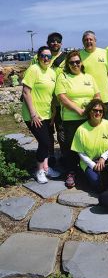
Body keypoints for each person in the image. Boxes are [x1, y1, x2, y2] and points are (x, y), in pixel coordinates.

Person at [55, 50, 100, 187]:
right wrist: (79, 110)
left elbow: (97, 95)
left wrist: (92, 109)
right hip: (71, 119)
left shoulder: (89, 77)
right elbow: (62, 97)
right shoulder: (63, 77)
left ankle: (86, 169)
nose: (75, 64)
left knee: (87, 145)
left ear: (81, 63)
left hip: (89, 117)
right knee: (71, 147)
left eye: (77, 62)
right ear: (68, 64)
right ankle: (71, 172)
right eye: (72, 62)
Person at [22, 46, 60, 183]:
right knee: (44, 143)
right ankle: (39, 171)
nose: (46, 59)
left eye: (49, 57)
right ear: (38, 57)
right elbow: (26, 92)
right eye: (43, 56)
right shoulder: (34, 69)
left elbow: (51, 95)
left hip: (46, 114)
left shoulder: (51, 73)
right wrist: (33, 114)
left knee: (47, 142)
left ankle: (46, 167)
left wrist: (54, 111)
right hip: (33, 115)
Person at [31, 32, 66, 166]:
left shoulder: (66, 58)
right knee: (48, 132)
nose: (55, 43)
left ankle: (63, 155)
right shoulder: (37, 58)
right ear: (47, 42)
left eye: (57, 41)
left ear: (61, 43)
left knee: (61, 131)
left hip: (60, 103)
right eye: (52, 41)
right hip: (44, 103)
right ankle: (49, 155)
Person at [71, 99, 108, 191]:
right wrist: (93, 165)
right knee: (97, 184)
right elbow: (80, 152)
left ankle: (107, 174)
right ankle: (86, 174)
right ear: (89, 111)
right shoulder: (81, 129)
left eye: (100, 111)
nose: (98, 113)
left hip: (106, 158)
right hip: (89, 161)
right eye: (95, 110)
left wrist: (103, 157)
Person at [80, 30, 108, 121]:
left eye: (91, 39)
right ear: (83, 42)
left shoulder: (104, 53)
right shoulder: (79, 56)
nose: (88, 41)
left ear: (95, 41)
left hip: (105, 99)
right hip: (87, 99)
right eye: (86, 40)